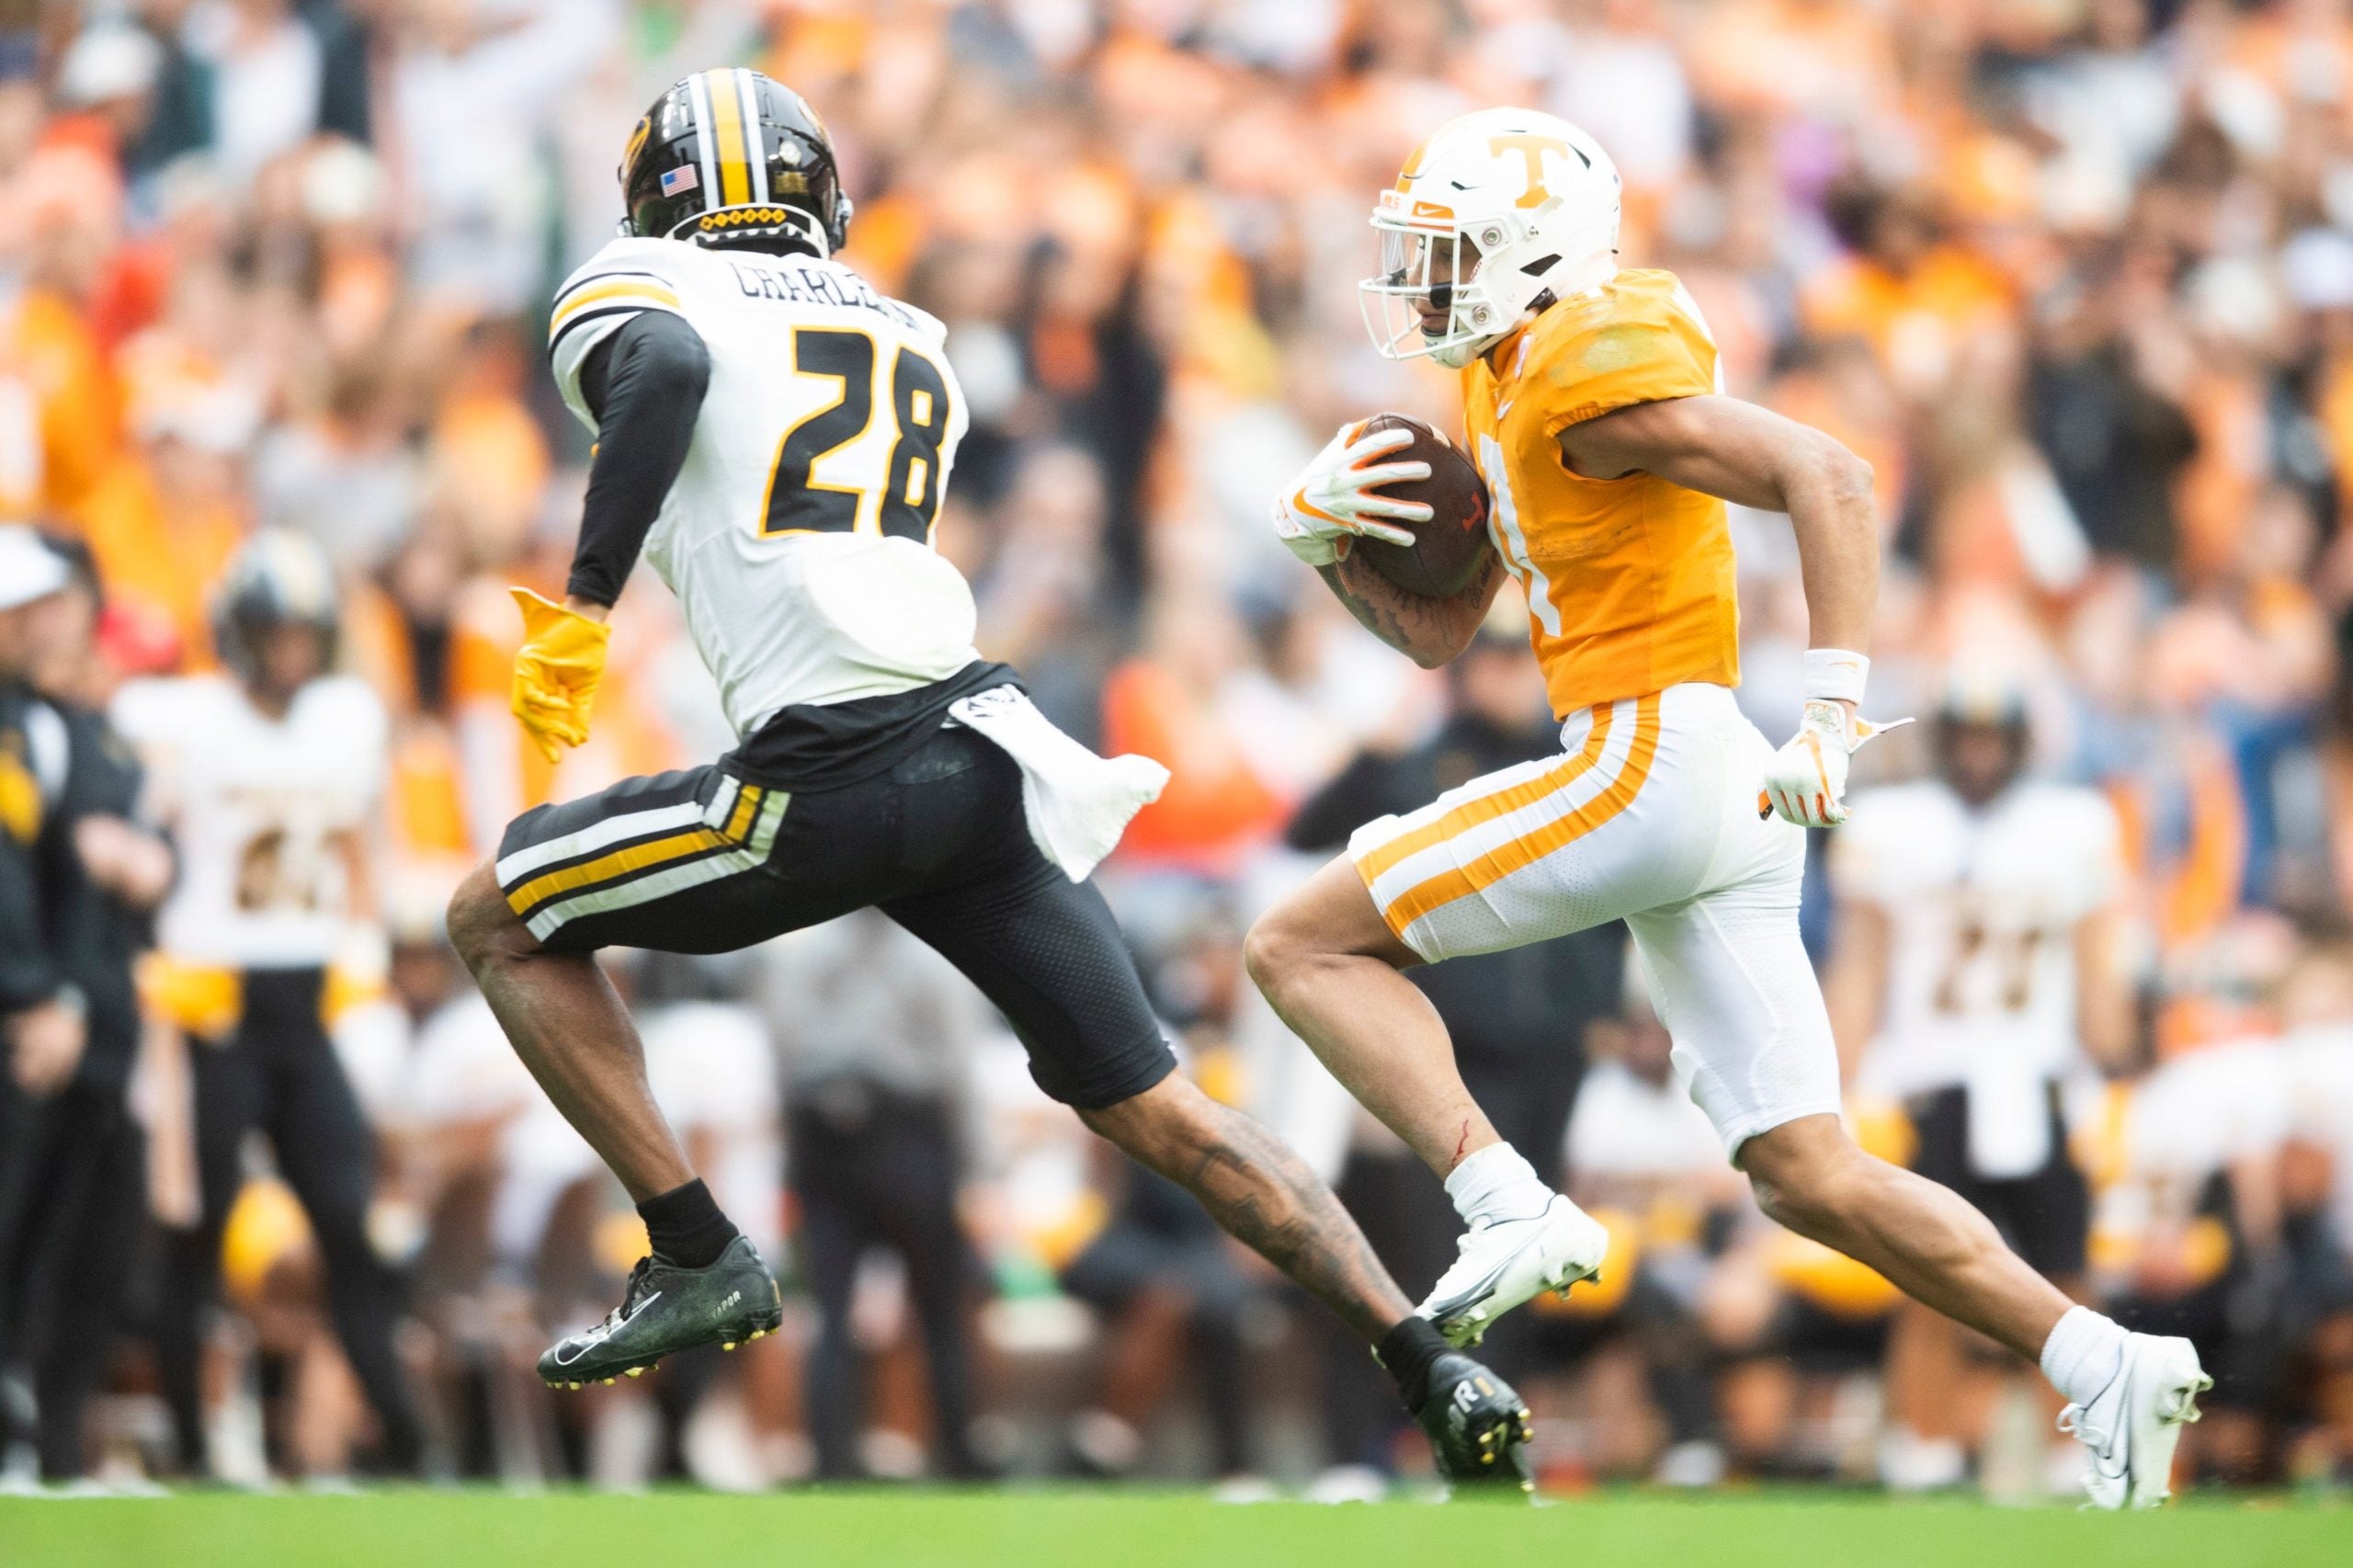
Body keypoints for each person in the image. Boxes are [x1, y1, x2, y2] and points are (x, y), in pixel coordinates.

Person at [440, 69, 1533, 1487]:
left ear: (657, 195)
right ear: (818, 190)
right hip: (975, 746)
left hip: (827, 772)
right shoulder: (911, 330)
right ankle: (1421, 1353)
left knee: (493, 915)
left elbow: (671, 376)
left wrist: (585, 605)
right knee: (1161, 1107)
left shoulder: (640, 285)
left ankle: (695, 1246)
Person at [1242, 107, 2209, 1508]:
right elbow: (1451, 633)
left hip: (1656, 752)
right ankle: (2101, 1355)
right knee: (1811, 1171)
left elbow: (1830, 471)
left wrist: (1834, 708)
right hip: (1694, 780)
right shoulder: (1508, 378)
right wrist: (1324, 543)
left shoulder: (1580, 359)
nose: (1425, 286)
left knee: (1296, 944)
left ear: (1535, 257)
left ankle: (1501, 1195)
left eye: (1451, 257)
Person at [113, 529, 425, 1477]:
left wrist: (363, 950)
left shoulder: (345, 718)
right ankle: (197, 1443)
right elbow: (142, 849)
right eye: (273, 631)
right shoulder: (179, 719)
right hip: (211, 1003)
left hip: (304, 999)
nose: (289, 651)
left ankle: (411, 1444)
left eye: (302, 633)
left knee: (347, 1222)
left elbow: (362, 843)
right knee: (195, 1238)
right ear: (237, 633)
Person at [1826, 668, 2129, 1491]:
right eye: (1966, 739)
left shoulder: (2070, 826)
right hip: (1931, 1078)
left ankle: (2076, 1452)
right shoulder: (1899, 827)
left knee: (2063, 1275)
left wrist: (2119, 1061)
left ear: (2024, 747)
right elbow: (1861, 967)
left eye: (1994, 741)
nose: (1980, 757)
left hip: (2037, 1078)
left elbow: (2098, 969)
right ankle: (1923, 1446)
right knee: (1927, 1275)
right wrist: (1837, 1085)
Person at [0, 532, 171, 1487]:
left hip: (78, 1021)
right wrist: (38, 993)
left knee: (68, 1244)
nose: (40, 624)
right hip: (37, 1015)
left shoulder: (59, 726)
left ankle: (42, 1440)